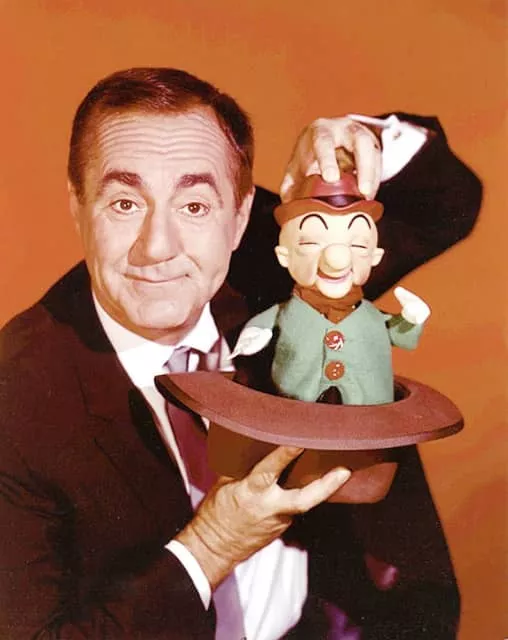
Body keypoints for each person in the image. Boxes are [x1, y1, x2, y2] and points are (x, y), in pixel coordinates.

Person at [0, 67, 481, 639]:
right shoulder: (15, 400)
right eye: (125, 203)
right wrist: (210, 546)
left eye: (195, 207)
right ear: (78, 205)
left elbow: (442, 201)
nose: (158, 247)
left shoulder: (281, 256)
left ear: (241, 217)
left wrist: (357, 142)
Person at [231, 171, 431, 405]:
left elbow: (402, 337)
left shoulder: (374, 319)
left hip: (368, 418)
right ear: (284, 256)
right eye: (310, 243)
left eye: (358, 245)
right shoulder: (283, 314)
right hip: (294, 414)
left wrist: (410, 319)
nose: (338, 260)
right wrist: (254, 334)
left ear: (375, 257)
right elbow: (262, 326)